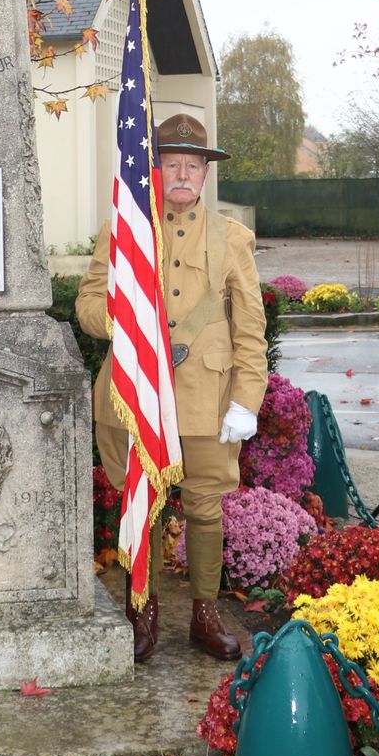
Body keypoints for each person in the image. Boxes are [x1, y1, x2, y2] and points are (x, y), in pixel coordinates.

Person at [77, 113, 269, 664]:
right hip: (137, 398)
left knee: (206, 509)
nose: (181, 174)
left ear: (205, 175)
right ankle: (145, 612)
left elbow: (250, 331)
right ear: (153, 170)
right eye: (170, 164)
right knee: (146, 505)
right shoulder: (125, 230)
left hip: (207, 404)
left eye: (192, 165)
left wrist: (246, 401)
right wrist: (127, 321)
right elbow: (87, 305)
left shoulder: (233, 239)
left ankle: (205, 615)